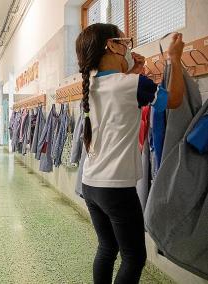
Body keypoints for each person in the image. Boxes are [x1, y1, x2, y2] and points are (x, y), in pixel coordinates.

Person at [75, 23, 184, 284]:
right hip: (116, 189)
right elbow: (176, 99)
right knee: (134, 258)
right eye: (124, 42)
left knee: (107, 248)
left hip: (91, 184)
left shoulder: (92, 85)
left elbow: (121, 96)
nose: (127, 47)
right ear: (111, 45)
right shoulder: (132, 84)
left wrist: (134, 70)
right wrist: (174, 58)